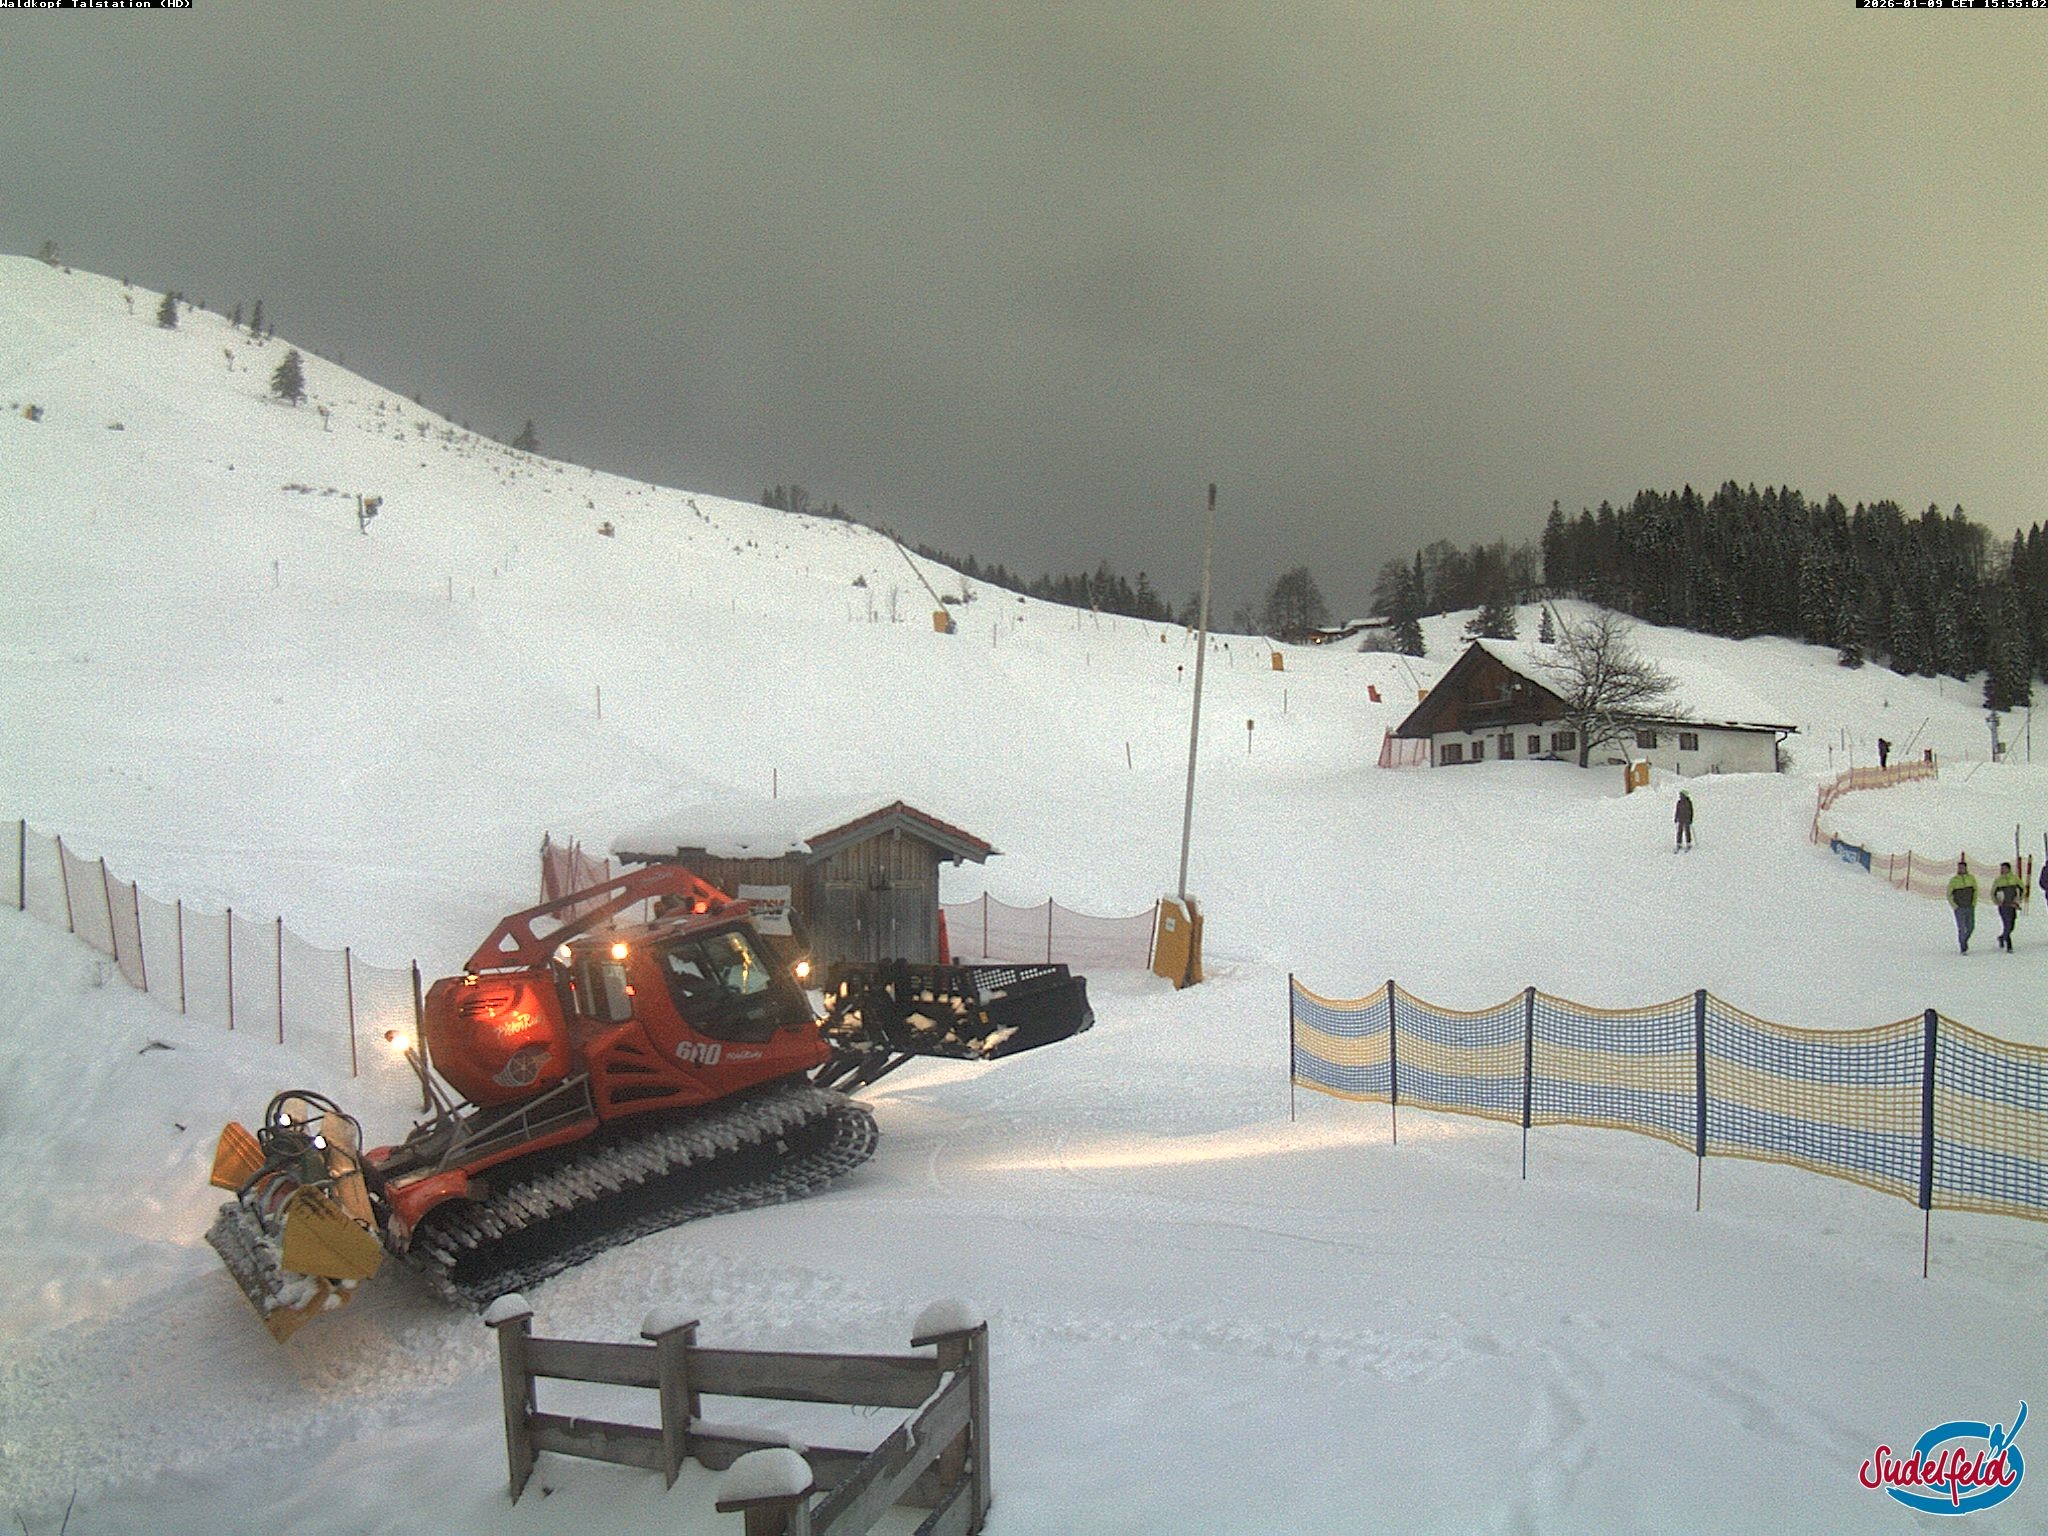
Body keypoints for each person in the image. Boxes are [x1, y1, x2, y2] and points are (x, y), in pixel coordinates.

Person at [1948, 857, 1979, 954]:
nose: (1960, 869)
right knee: (1961, 928)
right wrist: (1955, 905)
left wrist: (1973, 903)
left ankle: (1965, 940)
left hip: (1970, 906)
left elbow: (1975, 891)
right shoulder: (1954, 880)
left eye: (1962, 867)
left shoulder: (1971, 879)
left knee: (1970, 927)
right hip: (1959, 907)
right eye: (1959, 868)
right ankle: (1963, 947)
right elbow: (1949, 894)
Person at [1992, 861, 2024, 952]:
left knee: (2011, 926)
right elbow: (1993, 892)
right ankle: (2009, 945)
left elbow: (2022, 889)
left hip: (2012, 905)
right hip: (2003, 906)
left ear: (2009, 869)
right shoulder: (1998, 880)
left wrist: (2018, 900)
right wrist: (1997, 901)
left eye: (2004, 868)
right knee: (2007, 924)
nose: (2002, 870)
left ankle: (2002, 937)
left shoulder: (2014, 879)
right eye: (2001, 868)